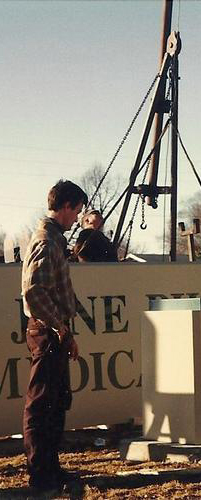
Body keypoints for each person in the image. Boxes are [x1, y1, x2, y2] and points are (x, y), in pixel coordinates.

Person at [22, 179, 88, 494]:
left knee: (54, 405)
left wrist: (65, 332)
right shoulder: (48, 242)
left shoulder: (51, 240)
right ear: (65, 207)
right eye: (76, 210)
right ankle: (41, 476)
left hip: (52, 331)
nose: (77, 217)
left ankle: (50, 469)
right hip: (48, 332)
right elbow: (33, 291)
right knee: (42, 407)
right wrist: (59, 328)